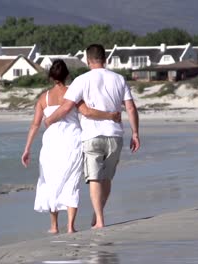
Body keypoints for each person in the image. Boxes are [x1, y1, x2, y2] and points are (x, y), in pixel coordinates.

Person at [44, 44, 140, 229]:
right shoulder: (119, 79)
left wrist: (49, 120)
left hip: (91, 136)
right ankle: (98, 216)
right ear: (105, 59)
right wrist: (135, 133)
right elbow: (130, 108)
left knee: (94, 178)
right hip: (115, 135)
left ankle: (100, 220)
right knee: (107, 179)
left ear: (88, 61)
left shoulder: (81, 80)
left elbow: (66, 107)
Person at [21, 59, 120, 234]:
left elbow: (35, 125)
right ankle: (70, 226)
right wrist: (110, 116)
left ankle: (53, 226)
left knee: (52, 182)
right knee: (71, 182)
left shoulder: (44, 98)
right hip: (72, 141)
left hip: (51, 144)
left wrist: (27, 148)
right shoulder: (73, 92)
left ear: (51, 77)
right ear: (67, 75)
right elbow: (87, 112)